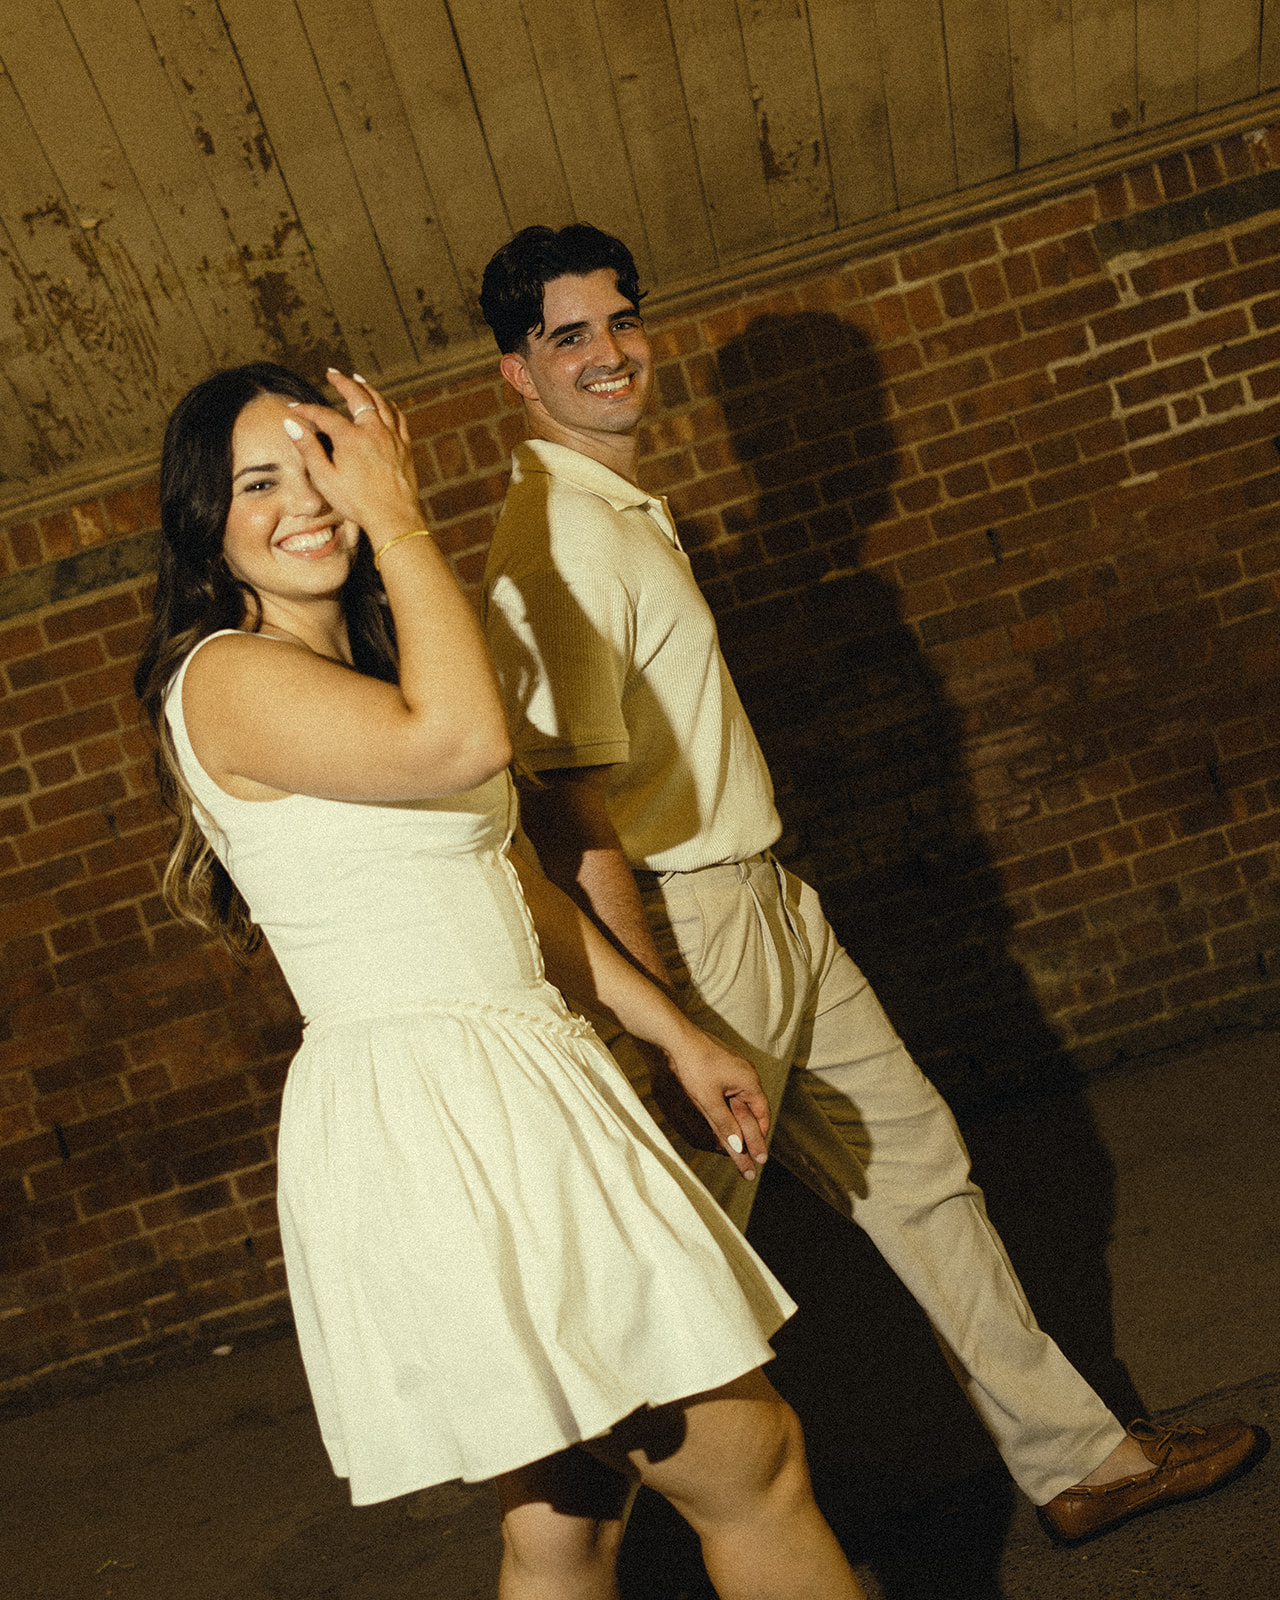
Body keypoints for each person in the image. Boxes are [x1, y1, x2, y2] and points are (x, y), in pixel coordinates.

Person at [477, 224, 1262, 1546]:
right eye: (570, 337)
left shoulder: (620, 515)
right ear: (516, 374)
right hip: (694, 919)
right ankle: (568, 1544)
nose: (610, 353)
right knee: (670, 1250)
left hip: (766, 896)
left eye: (622, 320)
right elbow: (569, 806)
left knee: (915, 1166)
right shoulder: (556, 545)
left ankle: (1083, 1458)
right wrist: (652, 1013)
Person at [133, 361, 866, 1600]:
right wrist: (401, 516)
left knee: (563, 1519)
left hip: (500, 1078)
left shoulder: (366, 670)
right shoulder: (225, 675)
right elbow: (464, 746)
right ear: (207, 525)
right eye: (262, 481)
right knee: (755, 1466)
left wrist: (672, 1031)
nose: (308, 500)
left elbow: (506, 882)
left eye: (326, 463)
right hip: (445, 1112)